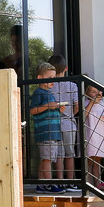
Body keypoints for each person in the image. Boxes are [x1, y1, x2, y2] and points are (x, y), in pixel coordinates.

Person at [28, 62, 68, 194]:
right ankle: (49, 183)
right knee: (47, 158)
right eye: (49, 77)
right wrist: (49, 106)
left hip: (53, 131)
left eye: (54, 77)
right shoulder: (39, 92)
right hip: (45, 132)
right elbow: (33, 110)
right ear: (40, 78)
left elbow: (49, 109)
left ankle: (41, 183)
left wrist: (59, 110)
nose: (53, 81)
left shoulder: (49, 93)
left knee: (45, 157)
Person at [47, 54, 80, 186]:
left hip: (54, 122)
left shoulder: (48, 85)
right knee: (69, 153)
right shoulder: (72, 85)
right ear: (65, 68)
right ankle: (70, 181)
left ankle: (60, 181)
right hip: (68, 123)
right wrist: (71, 114)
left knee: (59, 154)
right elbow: (77, 106)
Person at [82, 84, 104, 188]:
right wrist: (91, 102)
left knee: (98, 159)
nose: (96, 94)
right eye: (93, 92)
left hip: (101, 133)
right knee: (89, 159)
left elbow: (103, 114)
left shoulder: (102, 103)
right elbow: (84, 115)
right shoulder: (86, 103)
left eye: (98, 91)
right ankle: (88, 183)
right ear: (87, 94)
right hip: (91, 133)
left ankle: (97, 182)